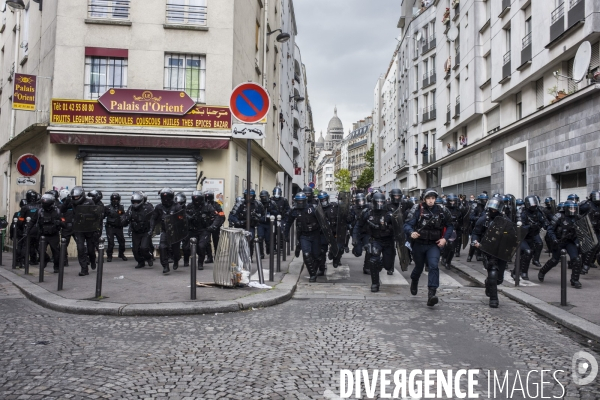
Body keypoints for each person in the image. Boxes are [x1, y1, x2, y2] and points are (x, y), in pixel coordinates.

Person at [404, 188, 454, 307]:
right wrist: (411, 232)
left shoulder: (442, 210)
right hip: (419, 244)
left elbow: (450, 225)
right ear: (424, 199)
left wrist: (445, 238)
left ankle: (431, 293)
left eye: (433, 198)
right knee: (419, 268)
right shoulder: (417, 209)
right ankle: (414, 280)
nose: (431, 201)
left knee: (433, 266)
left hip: (434, 244)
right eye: (428, 198)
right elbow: (407, 225)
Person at [471, 197, 509, 308]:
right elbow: (476, 232)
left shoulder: (506, 220)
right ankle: (494, 299)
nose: (493, 211)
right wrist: (476, 242)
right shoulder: (484, 219)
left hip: (501, 251)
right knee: (492, 271)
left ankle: (489, 284)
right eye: (491, 208)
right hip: (488, 250)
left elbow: (512, 234)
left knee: (499, 279)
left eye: (495, 209)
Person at [354, 193, 396, 292]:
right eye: (378, 202)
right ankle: (375, 284)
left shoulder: (390, 214)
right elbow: (358, 226)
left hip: (388, 241)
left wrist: (388, 227)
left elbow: (398, 228)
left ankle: (380, 264)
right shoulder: (368, 213)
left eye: (381, 202)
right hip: (375, 240)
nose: (380, 204)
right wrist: (355, 238)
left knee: (388, 265)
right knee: (373, 261)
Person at [538, 200, 583, 288]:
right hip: (559, 241)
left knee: (576, 259)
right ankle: (542, 271)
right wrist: (554, 239)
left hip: (570, 242)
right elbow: (550, 229)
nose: (573, 210)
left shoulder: (577, 217)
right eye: (571, 208)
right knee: (555, 260)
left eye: (574, 209)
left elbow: (582, 230)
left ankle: (575, 280)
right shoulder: (559, 216)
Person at [284, 192, 323, 282]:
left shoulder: (313, 208)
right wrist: (285, 235)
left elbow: (322, 221)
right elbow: (288, 223)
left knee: (316, 256)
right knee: (306, 254)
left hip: (315, 234)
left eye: (302, 201)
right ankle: (312, 274)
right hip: (304, 235)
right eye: (299, 201)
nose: (300, 203)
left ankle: (316, 268)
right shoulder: (294, 210)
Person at [185, 191, 225, 270]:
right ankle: (205, 257)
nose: (196, 202)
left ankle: (200, 262)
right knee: (189, 247)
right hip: (192, 229)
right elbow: (183, 214)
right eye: (195, 199)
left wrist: (214, 226)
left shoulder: (208, 206)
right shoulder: (190, 206)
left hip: (204, 229)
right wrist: (188, 218)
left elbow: (218, 216)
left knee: (202, 245)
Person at [62, 187, 97, 276]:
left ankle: (93, 260)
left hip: (89, 229)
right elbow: (62, 210)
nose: (76, 198)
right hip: (78, 229)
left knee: (90, 250)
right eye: (74, 197)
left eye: (77, 197)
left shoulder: (89, 202)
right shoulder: (72, 202)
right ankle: (84, 269)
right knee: (80, 249)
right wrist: (66, 201)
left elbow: (96, 214)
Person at [149, 188, 185, 274]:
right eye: (163, 198)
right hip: (165, 231)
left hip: (175, 232)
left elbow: (183, 219)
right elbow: (153, 218)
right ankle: (165, 265)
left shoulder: (177, 207)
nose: (165, 200)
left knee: (176, 251)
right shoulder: (159, 207)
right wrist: (151, 229)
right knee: (162, 247)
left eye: (167, 198)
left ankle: (176, 260)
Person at [514, 196, 547, 281]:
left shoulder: (538, 211)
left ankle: (522, 270)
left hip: (533, 235)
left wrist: (545, 225)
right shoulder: (521, 212)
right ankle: (519, 272)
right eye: (532, 204)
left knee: (529, 253)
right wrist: (530, 226)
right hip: (522, 236)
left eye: (535, 203)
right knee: (526, 252)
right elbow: (519, 227)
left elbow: (544, 221)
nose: (534, 205)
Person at [228, 189, 264, 259]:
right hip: (240, 226)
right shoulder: (240, 203)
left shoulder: (258, 204)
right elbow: (232, 215)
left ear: (253, 196)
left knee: (250, 240)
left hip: (251, 225)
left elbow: (263, 215)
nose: (249, 197)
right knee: (239, 242)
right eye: (247, 195)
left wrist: (257, 217)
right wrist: (237, 222)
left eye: (250, 196)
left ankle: (249, 257)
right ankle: (240, 258)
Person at [125, 192, 154, 269]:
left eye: (137, 202)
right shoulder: (131, 209)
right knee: (135, 250)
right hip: (136, 232)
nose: (135, 203)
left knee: (144, 248)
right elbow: (127, 218)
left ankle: (149, 258)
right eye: (134, 202)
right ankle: (141, 262)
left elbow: (153, 219)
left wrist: (151, 229)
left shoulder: (148, 208)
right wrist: (127, 225)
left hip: (146, 231)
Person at [35, 194, 62, 273]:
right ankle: (45, 259)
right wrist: (27, 230)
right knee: (40, 250)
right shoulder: (40, 211)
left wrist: (59, 222)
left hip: (54, 235)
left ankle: (56, 267)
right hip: (43, 235)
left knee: (56, 253)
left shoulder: (57, 211)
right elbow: (33, 221)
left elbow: (64, 222)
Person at [577, 190, 600, 274]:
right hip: (586, 228)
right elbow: (575, 212)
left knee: (596, 246)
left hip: (597, 229)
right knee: (588, 247)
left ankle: (587, 264)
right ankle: (584, 266)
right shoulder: (586, 205)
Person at [350, 192, 372, 275]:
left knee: (369, 249)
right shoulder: (353, 208)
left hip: (366, 232)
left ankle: (367, 267)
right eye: (359, 201)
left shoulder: (369, 207)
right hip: (357, 231)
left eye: (362, 201)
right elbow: (351, 220)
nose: (361, 203)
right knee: (358, 253)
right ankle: (355, 249)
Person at [441, 193, 463, 269]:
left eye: (454, 201)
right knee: (448, 246)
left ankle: (448, 261)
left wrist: (461, 229)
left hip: (456, 230)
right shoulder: (444, 209)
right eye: (451, 201)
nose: (452, 203)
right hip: (447, 230)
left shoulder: (458, 210)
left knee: (453, 248)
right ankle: (444, 258)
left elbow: (462, 220)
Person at [104, 193, 127, 262]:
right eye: (113, 199)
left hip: (118, 227)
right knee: (111, 242)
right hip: (110, 227)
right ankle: (109, 255)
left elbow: (124, 216)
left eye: (116, 199)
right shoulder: (107, 207)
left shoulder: (121, 207)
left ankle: (121, 254)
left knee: (122, 241)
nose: (115, 201)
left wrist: (124, 221)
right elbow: (102, 216)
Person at [20, 190, 41, 266]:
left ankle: (23, 260)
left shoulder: (25, 207)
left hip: (28, 228)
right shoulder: (40, 206)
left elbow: (21, 219)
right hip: (38, 228)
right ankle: (35, 259)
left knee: (26, 245)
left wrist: (22, 226)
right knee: (37, 245)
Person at [467, 193, 488, 262]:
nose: (485, 201)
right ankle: (470, 256)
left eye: (486, 200)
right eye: (484, 200)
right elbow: (470, 217)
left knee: (481, 243)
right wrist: (477, 218)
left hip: (484, 228)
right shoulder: (476, 207)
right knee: (474, 243)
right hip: (476, 228)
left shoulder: (488, 208)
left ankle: (478, 255)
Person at [204, 191, 223, 264]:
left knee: (216, 241)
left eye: (209, 198)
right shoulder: (203, 205)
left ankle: (217, 256)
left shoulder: (217, 205)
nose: (208, 199)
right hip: (207, 226)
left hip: (215, 226)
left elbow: (222, 216)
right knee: (207, 242)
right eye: (206, 198)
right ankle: (209, 257)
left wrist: (217, 225)